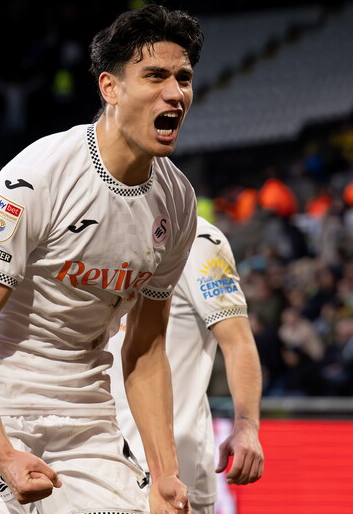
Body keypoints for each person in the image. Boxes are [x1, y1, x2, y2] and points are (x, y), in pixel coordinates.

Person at [0, 4, 202, 514]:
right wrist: (2, 452)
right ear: (109, 89)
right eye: (155, 76)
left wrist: (165, 473)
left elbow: (144, 346)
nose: (175, 93)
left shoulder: (178, 203)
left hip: (83, 405)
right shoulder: (39, 177)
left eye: (183, 78)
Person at [108, 216, 265, 514]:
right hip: (102, 456)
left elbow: (238, 341)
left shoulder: (200, 241)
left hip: (176, 464)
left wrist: (247, 424)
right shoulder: (99, 226)